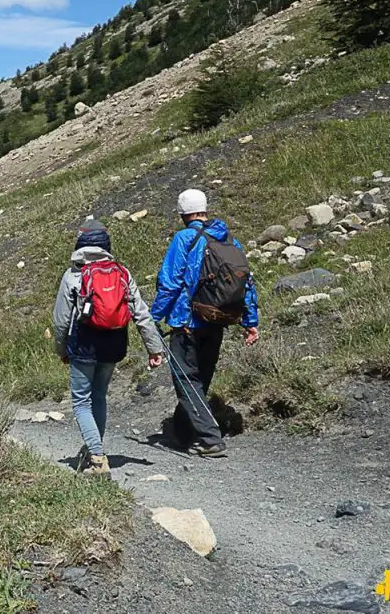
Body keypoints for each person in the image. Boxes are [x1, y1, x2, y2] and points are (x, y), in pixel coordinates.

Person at [151, 189, 259, 457]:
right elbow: (246, 282)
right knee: (199, 380)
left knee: (186, 381)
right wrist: (250, 321)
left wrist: (151, 317)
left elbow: (170, 282)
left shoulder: (185, 239)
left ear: (182, 213)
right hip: (217, 321)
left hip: (188, 323)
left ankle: (211, 439)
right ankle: (184, 433)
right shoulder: (229, 239)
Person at [52, 219, 165, 475]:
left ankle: (97, 458)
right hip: (114, 345)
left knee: (81, 402)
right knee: (99, 397)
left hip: (83, 346)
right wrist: (154, 349)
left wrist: (62, 350)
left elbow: (60, 321)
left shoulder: (73, 275)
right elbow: (142, 314)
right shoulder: (122, 273)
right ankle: (94, 450)